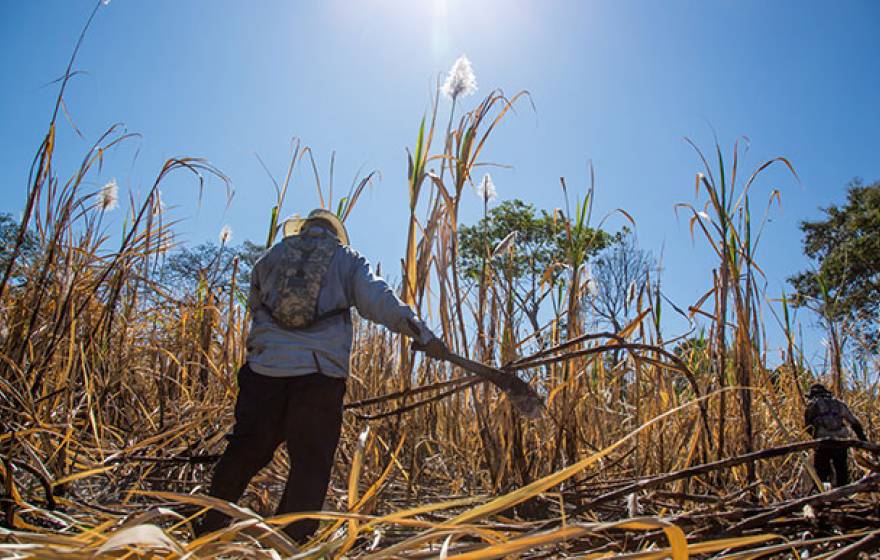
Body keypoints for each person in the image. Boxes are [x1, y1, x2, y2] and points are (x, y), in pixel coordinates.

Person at [196, 209, 449, 542]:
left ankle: (208, 527)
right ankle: (288, 543)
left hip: (264, 372)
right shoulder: (346, 259)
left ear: (304, 229)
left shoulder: (272, 256)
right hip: (318, 377)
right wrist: (423, 335)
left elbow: (255, 305)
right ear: (334, 233)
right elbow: (380, 300)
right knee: (310, 463)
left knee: (245, 450)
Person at [804, 383, 867, 488]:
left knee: (821, 474)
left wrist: (814, 436)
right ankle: (843, 493)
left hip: (823, 442)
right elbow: (854, 422)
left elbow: (808, 426)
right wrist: (863, 440)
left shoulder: (812, 405)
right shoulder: (839, 404)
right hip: (840, 441)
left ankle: (823, 494)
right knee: (841, 471)